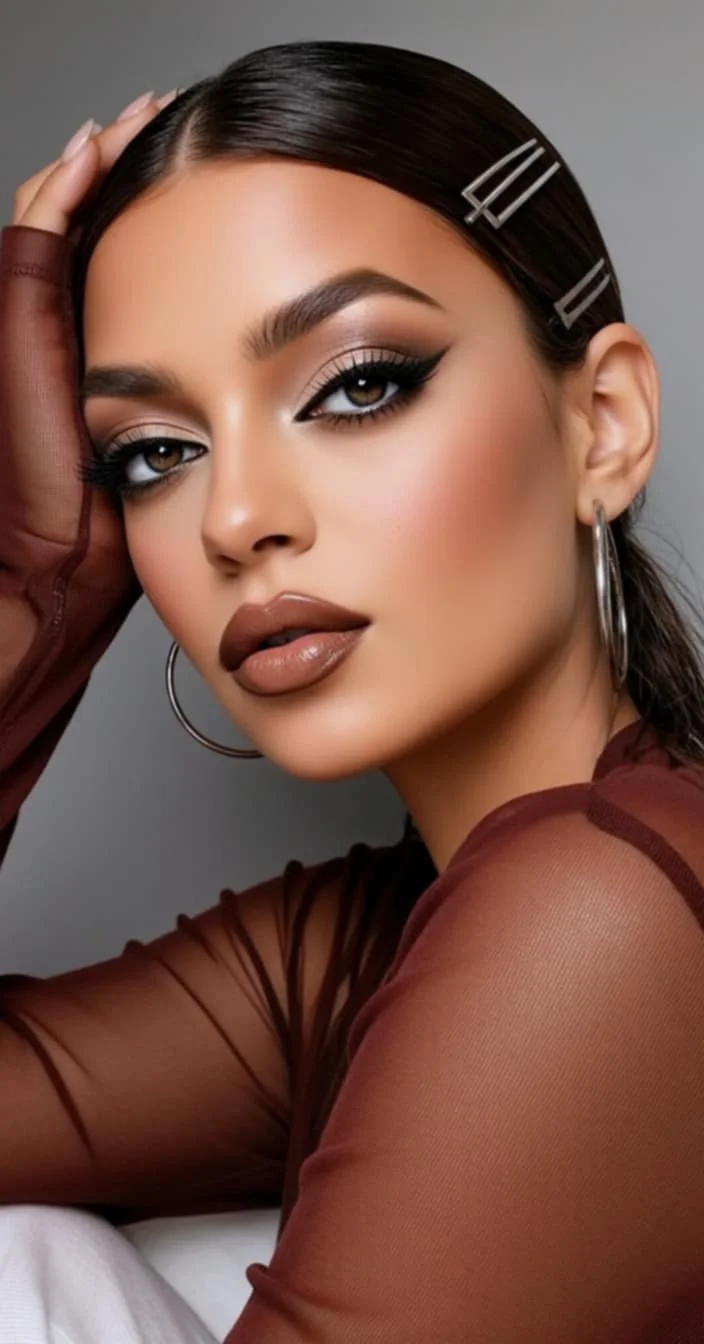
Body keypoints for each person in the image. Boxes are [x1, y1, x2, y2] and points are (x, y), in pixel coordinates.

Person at [2, 37, 704, 1344]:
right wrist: (35, 583)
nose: (239, 518)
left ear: (600, 424)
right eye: (153, 453)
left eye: (357, 384)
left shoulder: (608, 910)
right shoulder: (363, 942)